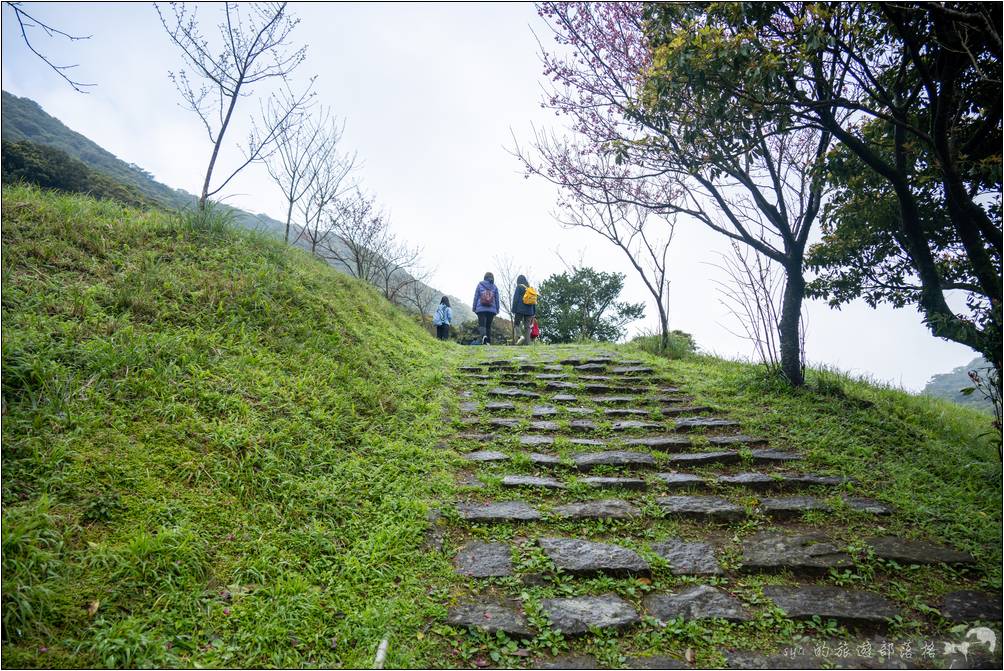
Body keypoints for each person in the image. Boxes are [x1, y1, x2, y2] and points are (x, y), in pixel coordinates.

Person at [472, 272, 500, 345]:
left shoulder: (480, 285)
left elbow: (476, 297)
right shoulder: (495, 287)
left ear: (484, 277)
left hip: (481, 308)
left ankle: (483, 337)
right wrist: (497, 309)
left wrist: (474, 307)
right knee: (488, 326)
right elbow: (497, 299)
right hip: (491, 309)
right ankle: (488, 342)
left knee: (482, 325)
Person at [512, 274, 536, 345]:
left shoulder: (519, 287)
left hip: (520, 309)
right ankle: (527, 343)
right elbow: (534, 301)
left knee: (516, 323)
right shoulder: (530, 289)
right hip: (530, 310)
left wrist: (514, 309)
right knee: (527, 326)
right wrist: (534, 312)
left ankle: (520, 336)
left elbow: (515, 299)